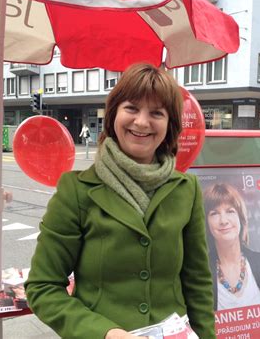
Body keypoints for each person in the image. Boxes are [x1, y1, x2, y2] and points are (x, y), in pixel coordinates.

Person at [25, 63, 216, 339]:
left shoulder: (186, 189)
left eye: (156, 113)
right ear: (114, 114)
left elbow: (197, 282)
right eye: (132, 108)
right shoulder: (76, 190)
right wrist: (106, 333)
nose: (141, 122)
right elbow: (43, 286)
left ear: (170, 124)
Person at [203, 183, 260, 311]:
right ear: (206, 223)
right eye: (214, 213)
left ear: (241, 218)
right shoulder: (198, 273)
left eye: (230, 211)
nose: (223, 221)